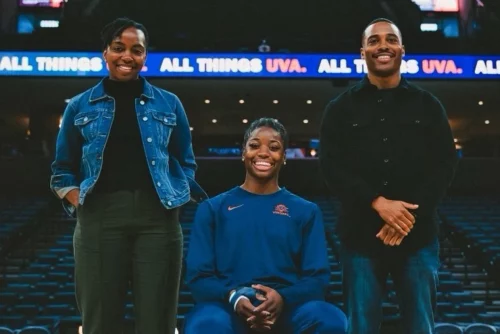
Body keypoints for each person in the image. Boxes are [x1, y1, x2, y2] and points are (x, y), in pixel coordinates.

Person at [49, 17, 206, 334]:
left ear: (145, 56)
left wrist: (178, 196)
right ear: (105, 52)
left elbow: (185, 161)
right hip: (99, 217)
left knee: (158, 321)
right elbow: (61, 169)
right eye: (119, 48)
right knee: (100, 320)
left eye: (137, 50)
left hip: (158, 218)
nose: (127, 57)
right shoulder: (79, 106)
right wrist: (77, 197)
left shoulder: (169, 103)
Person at [319, 18, 458, 334]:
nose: (383, 45)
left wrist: (405, 216)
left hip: (418, 237)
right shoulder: (340, 108)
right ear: (363, 52)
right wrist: (377, 202)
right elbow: (331, 167)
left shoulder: (428, 105)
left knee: (420, 327)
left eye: (390, 39)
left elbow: (445, 164)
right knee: (361, 326)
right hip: (360, 239)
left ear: (402, 49)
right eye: (374, 40)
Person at [184, 118, 347, 334]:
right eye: (254, 145)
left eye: (274, 147)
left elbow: (317, 278)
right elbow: (198, 277)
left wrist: (282, 298)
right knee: (205, 325)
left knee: (331, 320)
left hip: (289, 307)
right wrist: (234, 297)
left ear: (284, 157)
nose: (263, 153)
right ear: (243, 153)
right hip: (227, 305)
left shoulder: (306, 210)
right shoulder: (212, 209)